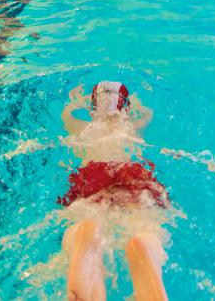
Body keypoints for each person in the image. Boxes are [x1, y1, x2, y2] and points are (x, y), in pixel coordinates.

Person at [59, 82, 169, 301]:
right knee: (145, 224)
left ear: (92, 110)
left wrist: (72, 104)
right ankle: (144, 244)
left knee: (85, 216)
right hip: (130, 170)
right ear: (126, 110)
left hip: (93, 172)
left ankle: (83, 233)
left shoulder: (80, 127)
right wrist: (138, 105)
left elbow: (66, 116)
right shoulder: (133, 126)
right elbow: (149, 114)